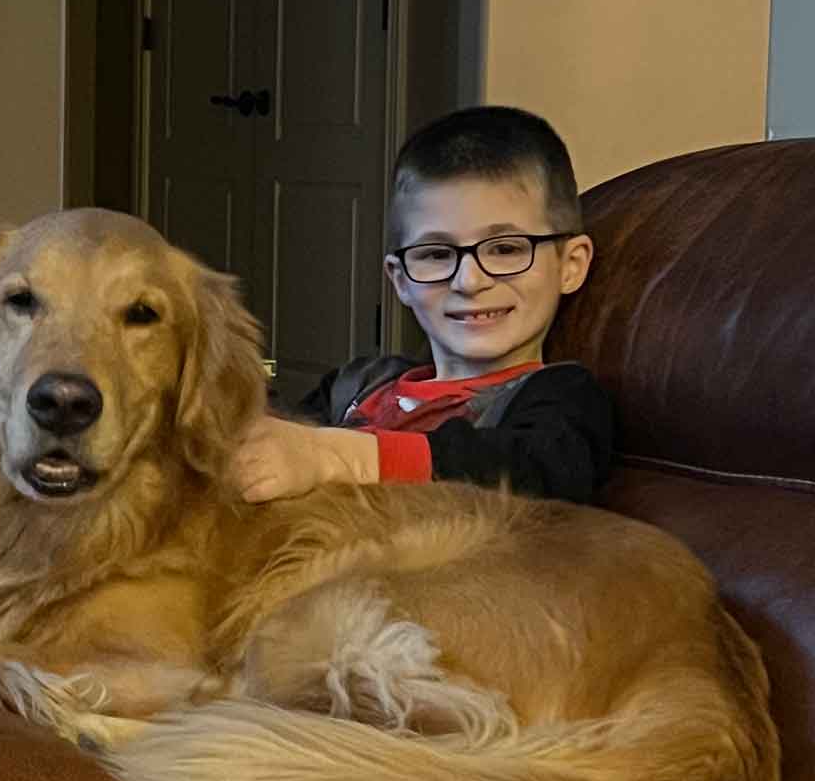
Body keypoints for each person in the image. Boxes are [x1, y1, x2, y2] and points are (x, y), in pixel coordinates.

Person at [231, 105, 613, 506]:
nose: (469, 281)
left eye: (505, 248)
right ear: (400, 279)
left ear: (570, 265)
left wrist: (333, 456)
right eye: (435, 254)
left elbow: (535, 472)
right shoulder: (357, 385)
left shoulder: (564, 397)